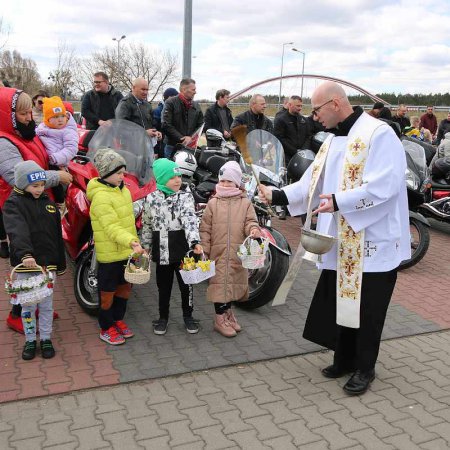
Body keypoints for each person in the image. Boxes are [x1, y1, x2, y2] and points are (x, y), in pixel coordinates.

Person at [258, 81, 410, 395]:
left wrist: (340, 202)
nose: (313, 117)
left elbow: (386, 186)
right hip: (342, 240)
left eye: (317, 109)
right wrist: (277, 195)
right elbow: (310, 183)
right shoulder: (332, 141)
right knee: (343, 300)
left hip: (373, 242)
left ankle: (365, 368)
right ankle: (343, 358)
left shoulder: (378, 134)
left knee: (368, 308)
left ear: (336, 103)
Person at [0, 87, 72, 333]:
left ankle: (38, 301)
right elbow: (17, 176)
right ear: (6, 116)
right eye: (22, 114)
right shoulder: (4, 142)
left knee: (41, 257)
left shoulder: (27, 136)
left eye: (30, 111)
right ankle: (17, 312)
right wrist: (58, 177)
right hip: (20, 208)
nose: (30, 117)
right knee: (25, 258)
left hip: (39, 204)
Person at [3, 161, 66, 360]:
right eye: (34, 186)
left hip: (47, 265)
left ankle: (46, 337)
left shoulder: (47, 202)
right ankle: (31, 339)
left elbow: (55, 235)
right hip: (27, 265)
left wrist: (59, 263)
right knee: (28, 306)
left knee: (47, 305)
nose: (39, 189)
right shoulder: (14, 203)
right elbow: (17, 230)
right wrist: (25, 254)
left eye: (41, 185)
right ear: (22, 184)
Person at [86, 148, 145, 345]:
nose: (123, 176)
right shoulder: (101, 198)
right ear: (106, 173)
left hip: (127, 251)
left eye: (123, 172)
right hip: (110, 254)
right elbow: (111, 227)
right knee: (108, 293)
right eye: (119, 173)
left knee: (125, 288)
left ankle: (118, 319)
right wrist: (131, 241)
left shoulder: (124, 191)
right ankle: (106, 326)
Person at [141, 158, 203, 335]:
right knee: (163, 286)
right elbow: (146, 224)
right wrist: (145, 247)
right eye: (172, 177)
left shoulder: (185, 197)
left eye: (179, 176)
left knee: (187, 285)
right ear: (161, 179)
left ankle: (188, 316)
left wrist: (195, 242)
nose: (178, 180)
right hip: (162, 252)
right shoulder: (151, 199)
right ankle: (163, 317)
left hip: (184, 250)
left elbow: (190, 220)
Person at [199, 161, 261, 337]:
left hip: (236, 253)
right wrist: (204, 249)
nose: (225, 185)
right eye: (223, 181)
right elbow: (205, 229)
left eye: (230, 181)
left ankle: (227, 312)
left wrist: (253, 230)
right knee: (219, 286)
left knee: (231, 285)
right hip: (217, 254)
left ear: (237, 183)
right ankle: (219, 319)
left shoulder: (245, 203)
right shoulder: (213, 203)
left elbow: (250, 221)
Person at [36, 96, 78, 211]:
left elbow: (71, 149)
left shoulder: (68, 131)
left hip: (57, 162)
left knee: (57, 185)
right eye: (55, 117)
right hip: (44, 160)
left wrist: (56, 158)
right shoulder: (41, 129)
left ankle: (61, 204)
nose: (60, 120)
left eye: (62, 116)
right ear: (47, 119)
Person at [162, 78, 204, 159]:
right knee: (171, 171)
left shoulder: (196, 105)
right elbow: (166, 124)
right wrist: (182, 138)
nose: (195, 92)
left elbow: (201, 125)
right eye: (193, 89)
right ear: (184, 89)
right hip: (172, 147)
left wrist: (191, 138)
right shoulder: (170, 102)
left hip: (190, 148)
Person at [274, 95, 314, 164]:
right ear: (289, 105)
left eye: (301, 106)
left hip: (302, 157)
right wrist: (295, 151)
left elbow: (309, 136)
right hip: (286, 158)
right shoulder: (281, 120)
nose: (300, 108)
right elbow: (280, 138)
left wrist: (303, 150)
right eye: (298, 106)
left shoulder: (303, 120)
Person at [153, 87, 179, 158]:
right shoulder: (158, 111)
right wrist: (155, 151)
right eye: (174, 97)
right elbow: (155, 131)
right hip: (161, 146)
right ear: (168, 97)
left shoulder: (174, 111)